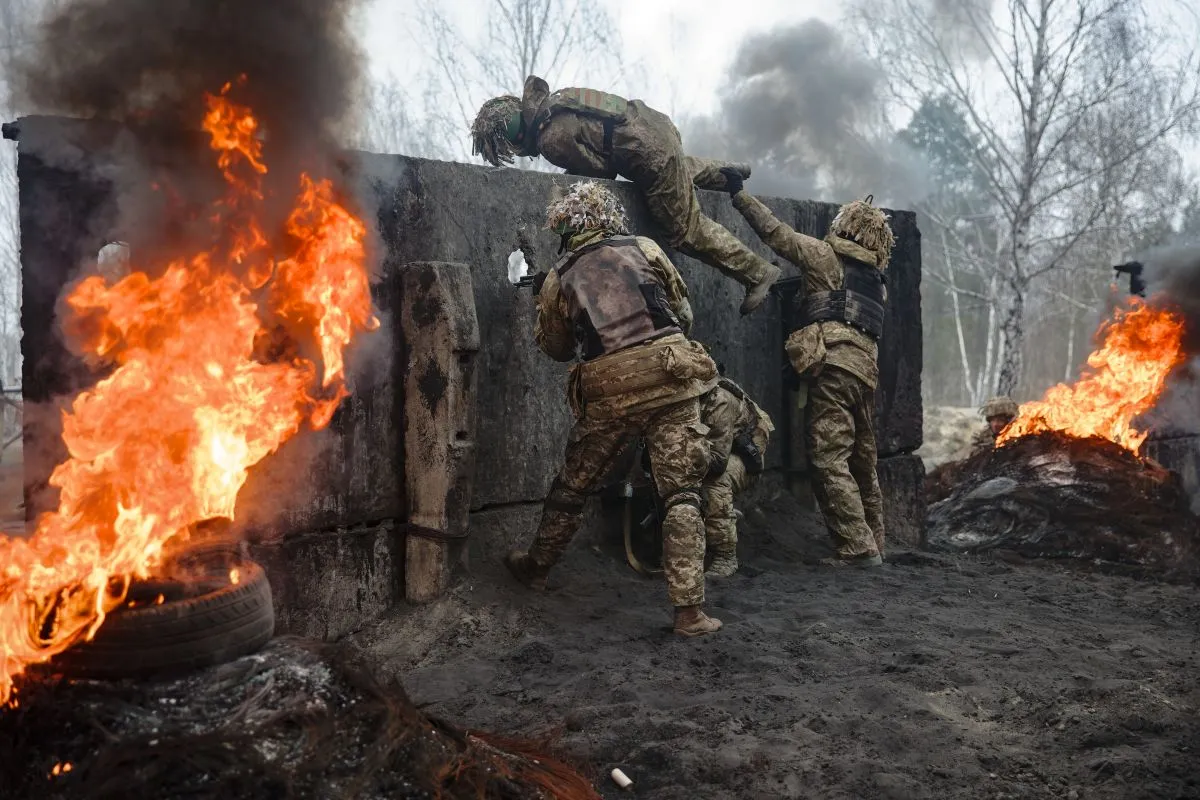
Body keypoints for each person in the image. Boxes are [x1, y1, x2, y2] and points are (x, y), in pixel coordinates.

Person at [505, 180, 723, 637]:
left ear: (564, 229)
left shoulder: (558, 275)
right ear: (610, 217)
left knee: (574, 485)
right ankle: (689, 614)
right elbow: (682, 311)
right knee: (681, 492)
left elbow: (557, 348)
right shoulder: (643, 246)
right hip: (673, 374)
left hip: (610, 390)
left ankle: (537, 568)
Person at [470, 75, 781, 315]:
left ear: (513, 137)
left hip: (648, 155)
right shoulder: (557, 100)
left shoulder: (550, 137)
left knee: (684, 230)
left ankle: (758, 273)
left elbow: (601, 171)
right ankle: (727, 173)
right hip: (654, 125)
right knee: (676, 168)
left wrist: (569, 192)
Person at [722, 169, 894, 567]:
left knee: (829, 458)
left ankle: (857, 549)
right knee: (864, 462)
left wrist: (739, 196)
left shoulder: (823, 257)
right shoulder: (875, 282)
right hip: (865, 373)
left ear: (844, 227)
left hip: (832, 369)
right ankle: (876, 541)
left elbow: (776, 233)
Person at [699, 374, 774, 577]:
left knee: (715, 483)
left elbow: (717, 461)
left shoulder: (719, 399)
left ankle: (725, 556)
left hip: (741, 455)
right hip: (710, 449)